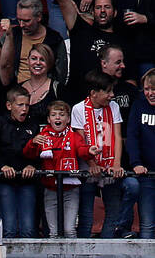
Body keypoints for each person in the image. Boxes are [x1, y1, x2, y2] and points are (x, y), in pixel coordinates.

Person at [73, 71, 129, 239]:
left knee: (113, 211)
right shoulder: (78, 109)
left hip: (110, 165)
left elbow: (118, 137)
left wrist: (117, 163)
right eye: (108, 91)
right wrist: (92, 165)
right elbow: (80, 142)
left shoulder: (114, 107)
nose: (112, 95)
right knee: (86, 215)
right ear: (93, 93)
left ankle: (107, 251)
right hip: (88, 169)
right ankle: (83, 257)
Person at [30, 99, 89, 236]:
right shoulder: (42, 137)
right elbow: (30, 154)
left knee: (69, 230)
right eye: (54, 115)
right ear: (48, 119)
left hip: (71, 189)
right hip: (50, 188)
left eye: (62, 115)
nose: (58, 118)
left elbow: (81, 150)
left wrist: (90, 151)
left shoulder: (74, 136)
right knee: (53, 232)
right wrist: (33, 142)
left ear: (68, 119)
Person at [0, 86, 39, 237]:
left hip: (26, 181)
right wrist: (1, 166)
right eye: (20, 105)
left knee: (28, 229)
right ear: (9, 106)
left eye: (27, 105)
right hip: (4, 181)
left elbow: (40, 153)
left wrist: (32, 165)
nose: (24, 109)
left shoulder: (33, 125)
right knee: (9, 228)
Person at [129, 69, 155, 238]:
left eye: (154, 89)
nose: (150, 93)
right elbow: (132, 136)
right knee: (147, 225)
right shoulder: (138, 106)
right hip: (147, 175)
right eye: (147, 89)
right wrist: (136, 163)